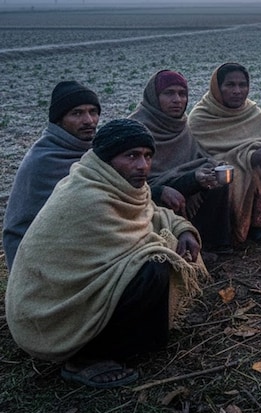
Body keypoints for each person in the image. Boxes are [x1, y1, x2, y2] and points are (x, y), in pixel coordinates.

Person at [5, 119, 208, 388]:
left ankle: (136, 340)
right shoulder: (87, 196)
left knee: (154, 263)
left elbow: (152, 213)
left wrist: (183, 230)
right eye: (131, 156)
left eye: (147, 156)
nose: (143, 166)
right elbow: (139, 243)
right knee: (153, 267)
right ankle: (85, 359)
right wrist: (166, 247)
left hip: (79, 289)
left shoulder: (123, 185)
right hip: (50, 310)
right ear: (106, 159)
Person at [128, 70, 232, 255]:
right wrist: (167, 187)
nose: (177, 100)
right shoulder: (136, 129)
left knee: (217, 180)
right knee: (183, 186)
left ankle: (214, 242)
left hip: (182, 186)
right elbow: (130, 181)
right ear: (154, 96)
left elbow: (197, 157)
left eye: (182, 94)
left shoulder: (181, 126)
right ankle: (178, 248)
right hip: (149, 196)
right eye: (169, 93)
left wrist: (212, 166)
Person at [2, 80, 100, 270]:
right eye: (77, 113)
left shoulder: (93, 151)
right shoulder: (43, 160)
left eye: (93, 111)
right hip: (40, 258)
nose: (88, 120)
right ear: (58, 120)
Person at [188, 62, 261, 245]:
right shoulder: (201, 117)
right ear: (217, 88)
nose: (237, 91)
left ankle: (257, 225)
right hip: (218, 171)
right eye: (230, 85)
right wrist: (250, 157)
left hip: (252, 167)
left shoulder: (253, 112)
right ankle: (230, 228)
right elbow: (202, 157)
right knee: (233, 174)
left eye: (242, 85)